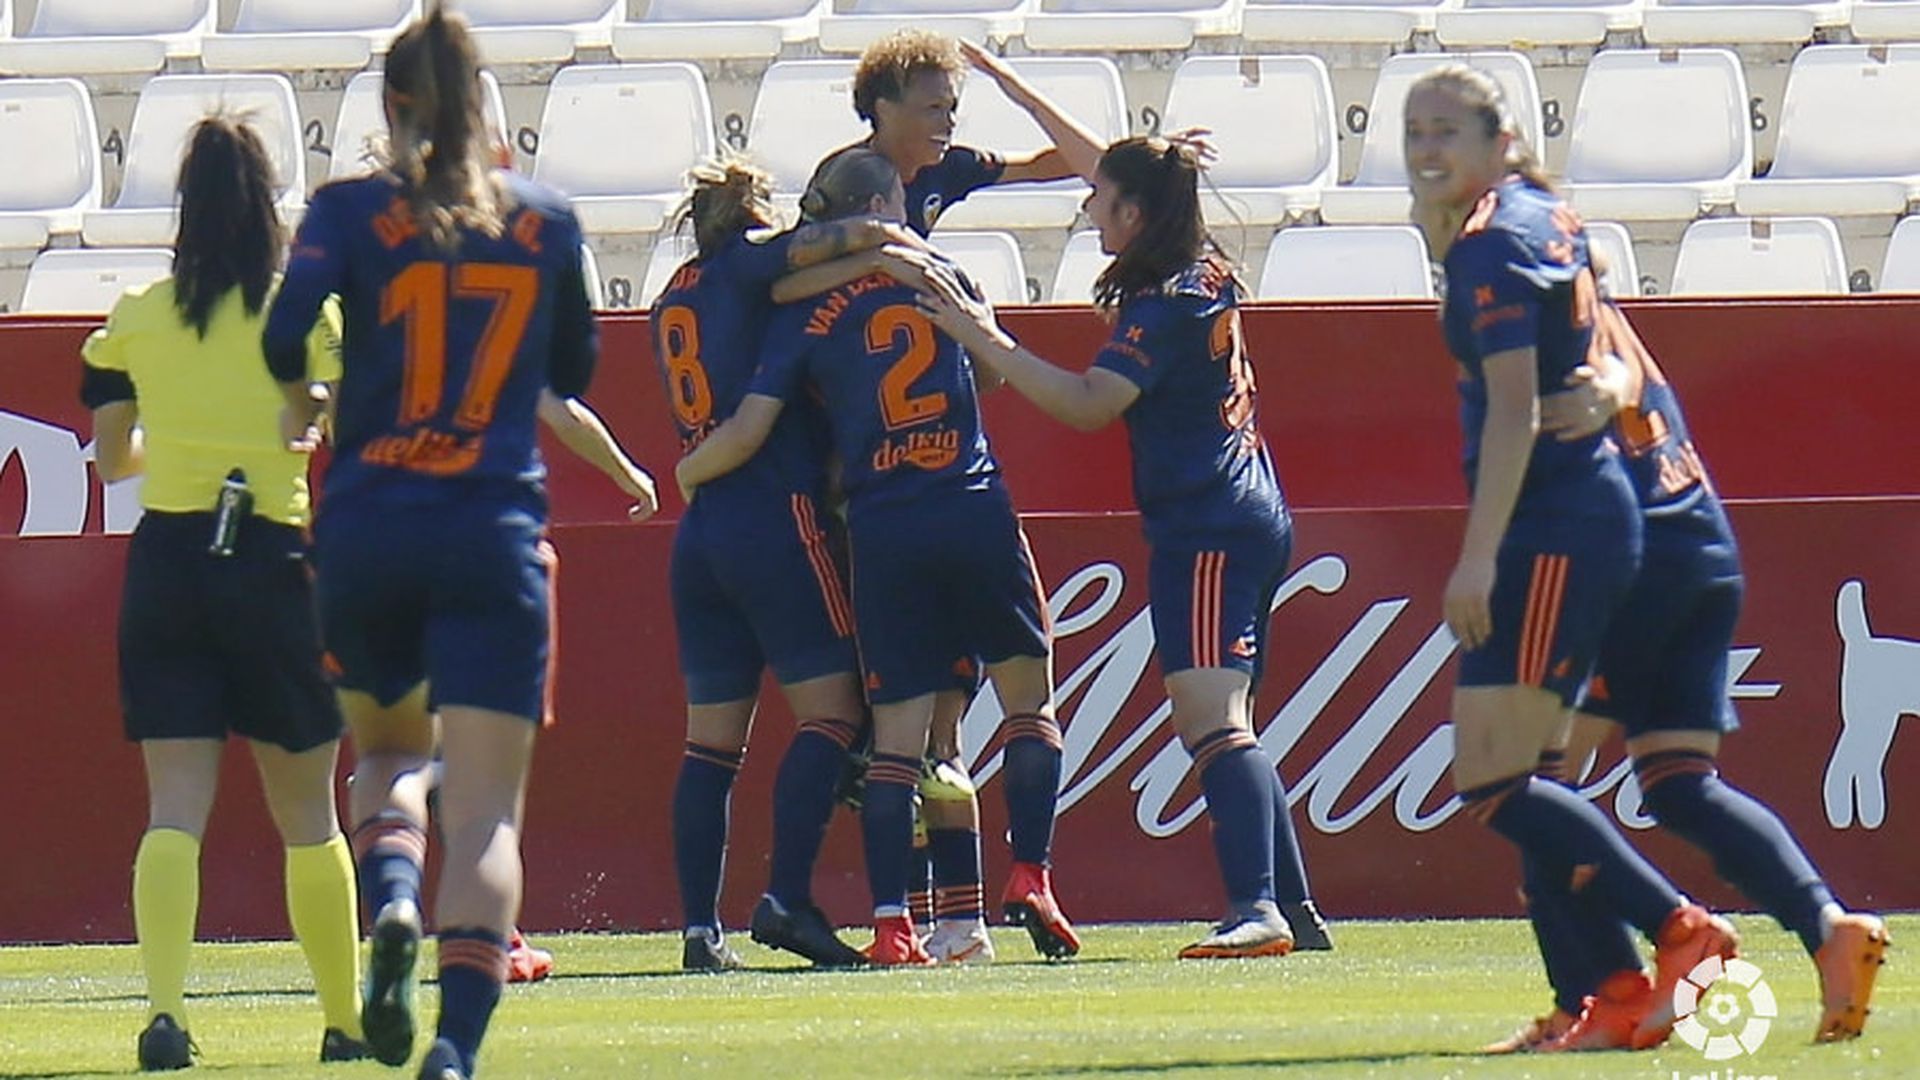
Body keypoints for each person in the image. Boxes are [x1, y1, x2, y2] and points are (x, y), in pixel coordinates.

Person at [262, 7, 591, 1078]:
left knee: (390, 757)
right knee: (488, 818)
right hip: (493, 529)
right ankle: (454, 1049)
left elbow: (283, 333)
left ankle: (395, 899)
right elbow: (575, 371)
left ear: (392, 106)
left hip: (370, 525)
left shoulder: (350, 209)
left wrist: (316, 394)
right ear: (486, 107)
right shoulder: (546, 219)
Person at [1402, 64, 1748, 1052]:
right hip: (1581, 516)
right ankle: (1602, 995)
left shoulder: (1493, 243)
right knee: (1530, 777)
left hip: (1553, 521)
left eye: (1447, 131)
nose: (1427, 149)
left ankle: (1679, 931)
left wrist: (1477, 559)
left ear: (1500, 139)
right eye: (1414, 132)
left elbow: (1515, 408)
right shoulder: (1538, 218)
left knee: (1494, 781)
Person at [915, 135, 1318, 959]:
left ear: (1134, 212)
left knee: (1210, 719)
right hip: (1248, 509)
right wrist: (1013, 86)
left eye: (1101, 198)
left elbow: (1088, 402)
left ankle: (1258, 909)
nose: (1087, 205)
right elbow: (1131, 168)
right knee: (1232, 719)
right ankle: (1294, 908)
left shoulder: (1164, 307)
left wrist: (982, 335)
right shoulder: (1201, 269)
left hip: (1206, 527)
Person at [675, 149, 1064, 965]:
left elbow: (756, 415)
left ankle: (886, 923)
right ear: (885, 207)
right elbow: (991, 370)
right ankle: (1012, 885)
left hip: (865, 524)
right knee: (1000, 716)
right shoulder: (940, 272)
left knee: (887, 740)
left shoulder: (769, 304)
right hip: (963, 504)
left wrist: (685, 470)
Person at [1482, 275, 1890, 1050]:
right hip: (1702, 545)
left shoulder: (1529, 318)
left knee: (1529, 780)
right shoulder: (1601, 322)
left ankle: (1601, 993)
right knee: (1678, 785)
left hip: (1631, 560)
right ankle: (1828, 926)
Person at [82, 115, 369, 1071]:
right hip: (272, 561)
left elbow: (113, 459)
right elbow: (328, 436)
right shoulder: (306, 314)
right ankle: (343, 1022)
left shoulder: (137, 314)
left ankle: (166, 1015)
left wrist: (180, 442)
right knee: (310, 813)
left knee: (174, 807)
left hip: (168, 563)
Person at [652, 154, 928, 971]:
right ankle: (786, 899)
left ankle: (700, 931)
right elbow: (817, 250)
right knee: (835, 713)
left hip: (703, 532)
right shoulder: (749, 265)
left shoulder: (673, 293)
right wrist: (885, 238)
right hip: (774, 514)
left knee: (710, 748)